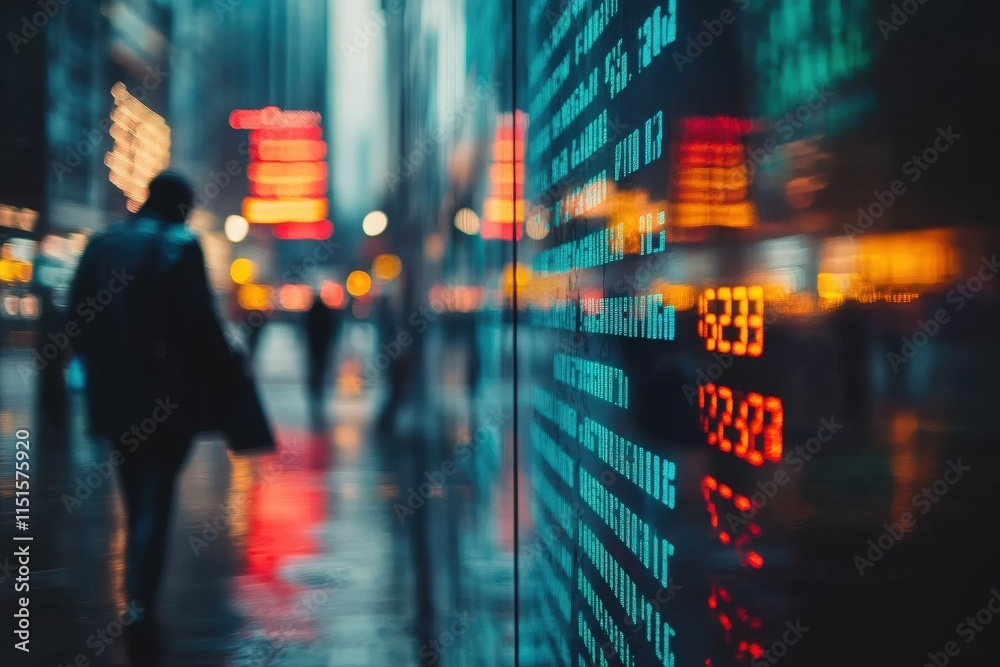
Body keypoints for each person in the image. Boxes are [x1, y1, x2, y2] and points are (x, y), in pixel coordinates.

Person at [69, 171, 234, 664]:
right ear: (180, 207)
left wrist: (102, 365)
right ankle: (141, 593)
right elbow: (200, 324)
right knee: (157, 494)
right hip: (168, 399)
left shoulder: (102, 244)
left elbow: (76, 316)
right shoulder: (181, 246)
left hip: (115, 396)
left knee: (135, 484)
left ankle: (135, 587)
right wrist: (227, 369)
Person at [304, 292, 341, 426]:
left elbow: (307, 327)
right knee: (320, 366)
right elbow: (331, 327)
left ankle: (314, 387)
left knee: (314, 366)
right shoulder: (325, 313)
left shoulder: (313, 313)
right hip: (323, 345)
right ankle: (317, 388)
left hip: (314, 344)